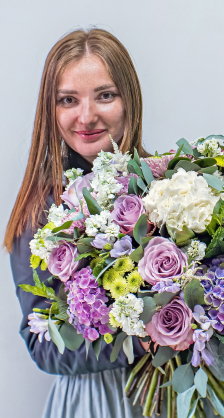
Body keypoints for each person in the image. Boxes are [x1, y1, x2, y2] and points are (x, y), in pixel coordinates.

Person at [3, 28, 151, 418]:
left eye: (105, 95)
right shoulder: (39, 213)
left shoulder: (170, 186)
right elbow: (42, 343)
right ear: (50, 111)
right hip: (98, 402)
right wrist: (146, 339)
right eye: (68, 99)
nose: (86, 116)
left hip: (178, 392)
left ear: (129, 100)